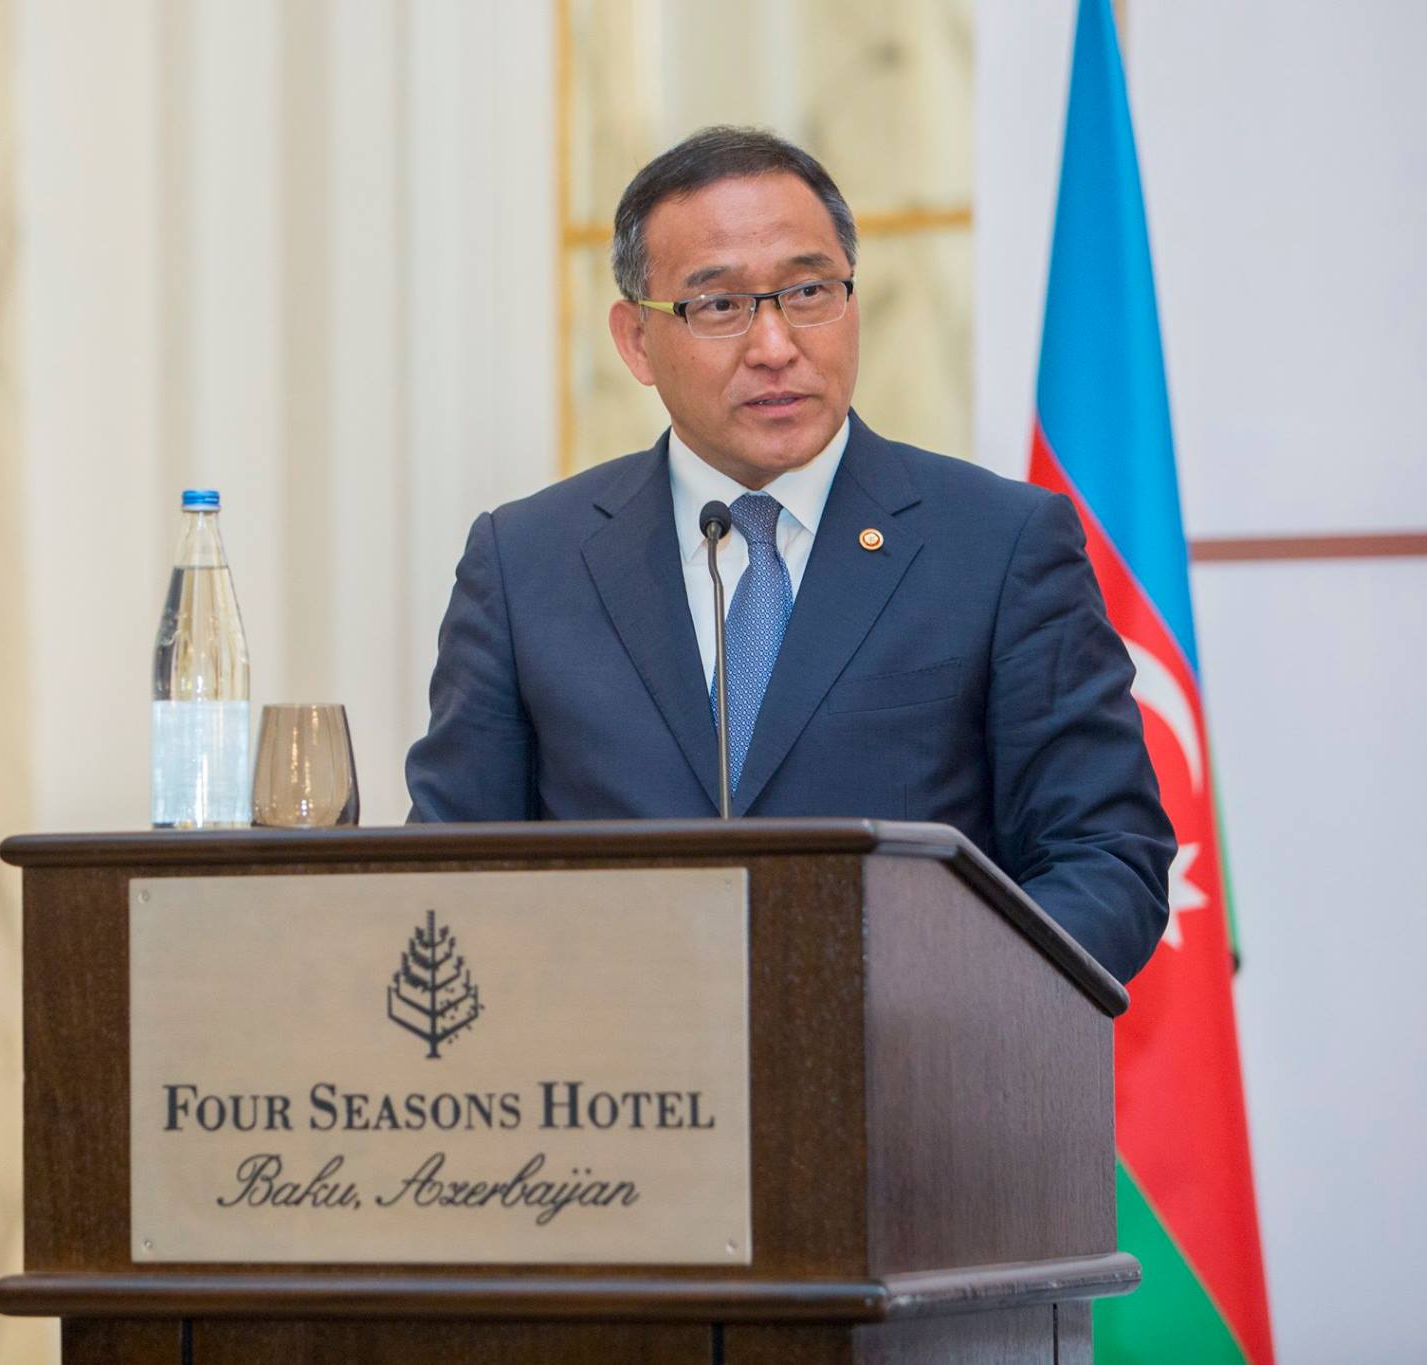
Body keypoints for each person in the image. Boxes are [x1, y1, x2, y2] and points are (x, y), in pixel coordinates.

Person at [404, 126, 1173, 984]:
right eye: (719, 305)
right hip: (616, 1055)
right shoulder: (524, 565)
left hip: (914, 1055)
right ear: (636, 341)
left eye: (808, 291)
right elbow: (447, 875)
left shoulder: (999, 545)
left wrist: (936, 1008)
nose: (775, 346)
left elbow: (1106, 858)